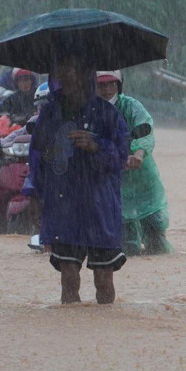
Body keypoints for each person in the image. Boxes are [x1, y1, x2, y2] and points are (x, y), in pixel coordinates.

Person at [28, 54, 130, 304]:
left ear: (85, 76)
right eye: (62, 73)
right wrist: (34, 194)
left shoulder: (107, 113)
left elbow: (121, 157)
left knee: (104, 279)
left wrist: (96, 146)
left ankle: (104, 338)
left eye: (72, 72)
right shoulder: (51, 114)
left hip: (100, 205)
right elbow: (37, 157)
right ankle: (70, 331)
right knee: (69, 278)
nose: (67, 79)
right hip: (63, 205)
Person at [95, 70, 173, 256]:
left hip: (143, 177)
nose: (107, 90)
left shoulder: (131, 106)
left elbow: (146, 131)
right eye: (102, 85)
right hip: (114, 181)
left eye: (111, 84)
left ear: (119, 85)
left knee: (156, 236)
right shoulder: (90, 111)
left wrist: (138, 153)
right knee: (126, 245)